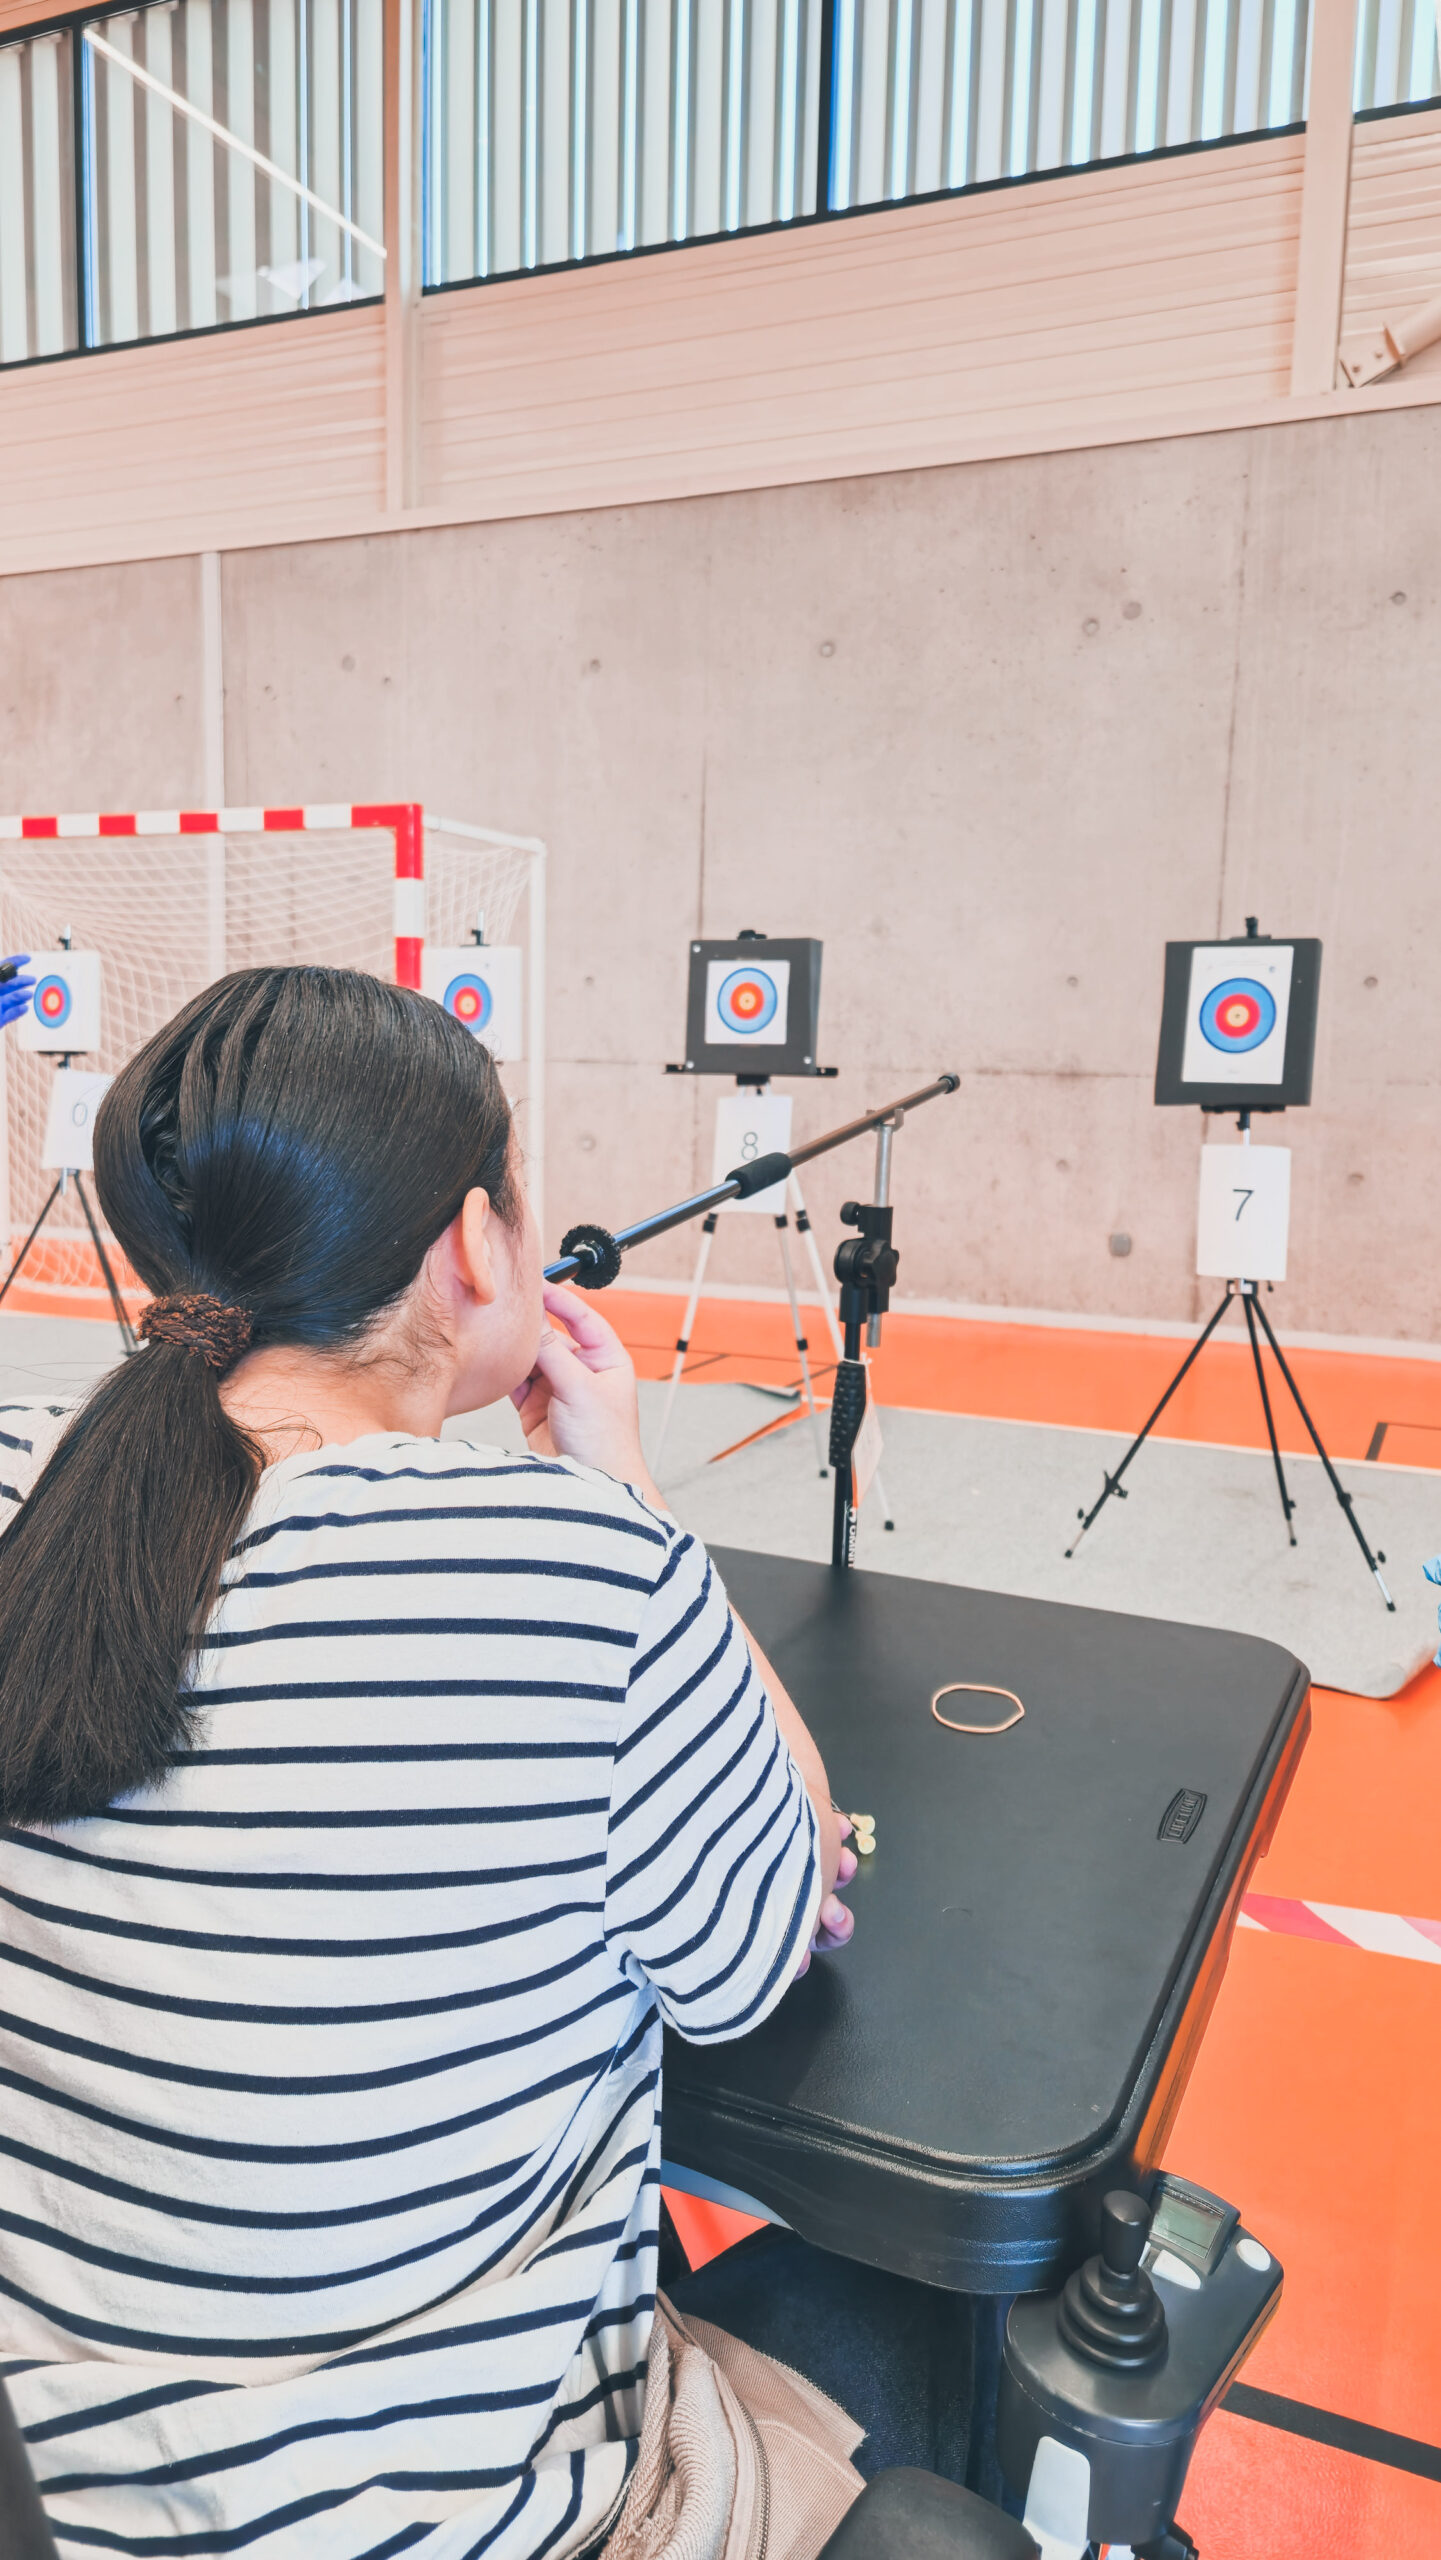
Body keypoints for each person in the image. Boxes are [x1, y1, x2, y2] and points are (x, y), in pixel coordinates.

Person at [0, 966, 860, 2559]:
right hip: (430, 2513)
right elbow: (764, 1937)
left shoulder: (28, 1488)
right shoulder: (578, 1570)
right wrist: (625, 1490)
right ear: (475, 1242)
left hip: (55, 2491)